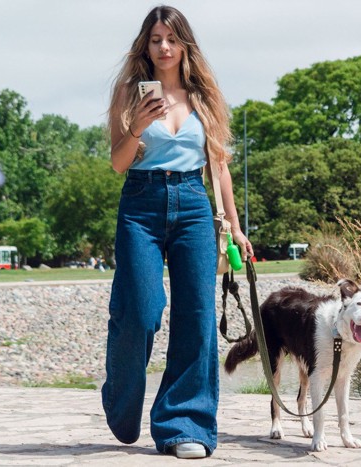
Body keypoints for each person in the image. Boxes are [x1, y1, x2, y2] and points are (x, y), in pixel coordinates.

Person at [102, 5, 253, 459]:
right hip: (140, 206)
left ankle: (183, 425)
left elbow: (220, 166)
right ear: (145, 45)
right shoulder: (130, 92)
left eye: (171, 38)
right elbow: (117, 162)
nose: (163, 47)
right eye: (155, 39)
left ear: (184, 44)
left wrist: (235, 226)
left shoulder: (203, 96)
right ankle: (121, 403)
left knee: (198, 319)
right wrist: (138, 126)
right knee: (142, 311)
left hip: (191, 204)